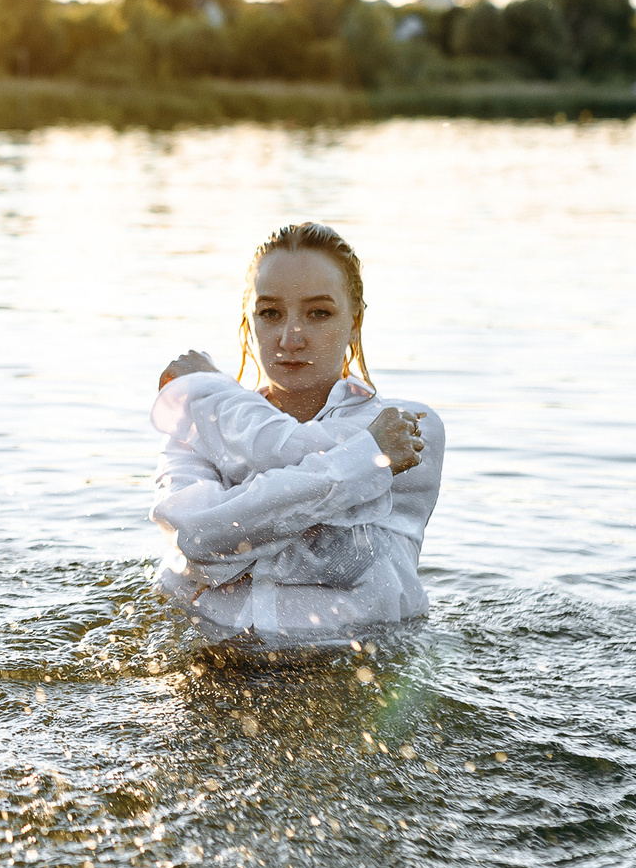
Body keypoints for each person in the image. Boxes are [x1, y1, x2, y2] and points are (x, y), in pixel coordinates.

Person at [148, 221, 445, 653]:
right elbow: (195, 536)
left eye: (318, 313)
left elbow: (274, 457)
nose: (291, 338)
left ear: (355, 321)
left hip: (351, 668)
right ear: (248, 323)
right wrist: (364, 461)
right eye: (270, 313)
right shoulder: (202, 421)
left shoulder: (408, 429)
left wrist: (214, 391)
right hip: (211, 660)